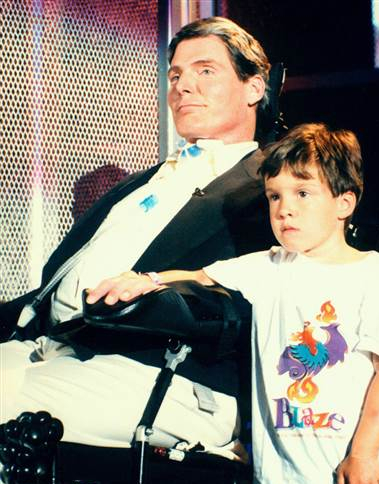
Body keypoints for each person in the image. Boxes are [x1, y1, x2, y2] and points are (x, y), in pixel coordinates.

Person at [127, 123, 379, 484]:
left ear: (344, 202)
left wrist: (365, 453)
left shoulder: (376, 274)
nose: (285, 208)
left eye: (303, 193)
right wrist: (144, 280)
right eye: (274, 196)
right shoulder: (267, 267)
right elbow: (198, 278)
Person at [0, 17, 275, 456]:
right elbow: (53, 289)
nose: (183, 86)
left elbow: (270, 299)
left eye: (205, 70)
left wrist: (159, 293)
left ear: (254, 88)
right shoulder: (143, 183)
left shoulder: (272, 188)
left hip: (167, 371)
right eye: (176, 75)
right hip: (53, 347)